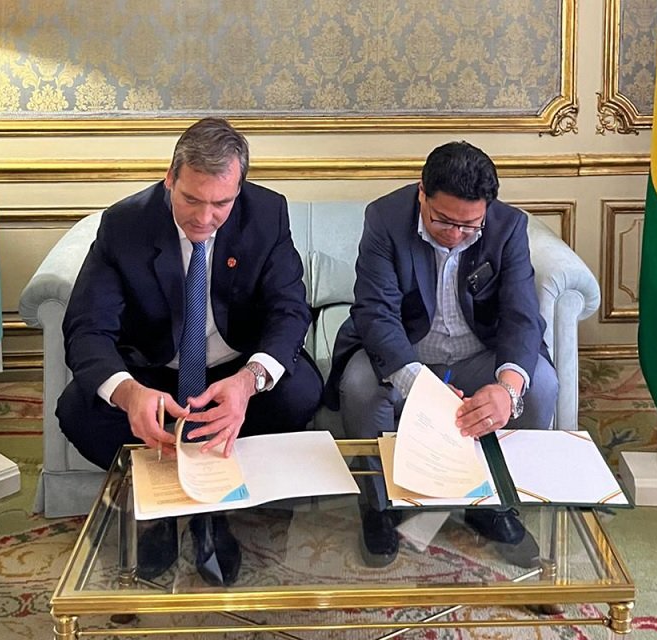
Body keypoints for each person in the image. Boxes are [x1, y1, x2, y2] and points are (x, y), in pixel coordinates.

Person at [57, 117, 322, 585]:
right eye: (191, 199)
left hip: (231, 371)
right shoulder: (124, 224)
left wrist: (248, 381)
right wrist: (128, 393)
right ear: (170, 179)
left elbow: (289, 310)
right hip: (154, 374)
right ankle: (162, 506)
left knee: (299, 390)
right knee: (79, 409)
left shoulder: (267, 214)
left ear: (239, 189)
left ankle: (213, 509)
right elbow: (87, 328)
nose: (203, 218)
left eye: (221, 203)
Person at [326, 141, 559, 569]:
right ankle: (378, 505)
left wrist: (507, 390)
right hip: (405, 353)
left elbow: (522, 315)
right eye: (443, 221)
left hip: (478, 353)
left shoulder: (507, 227)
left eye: (469, 226)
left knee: (540, 384)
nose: (454, 234)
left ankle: (496, 504)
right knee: (359, 386)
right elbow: (376, 313)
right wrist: (423, 387)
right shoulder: (384, 219)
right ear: (422, 192)